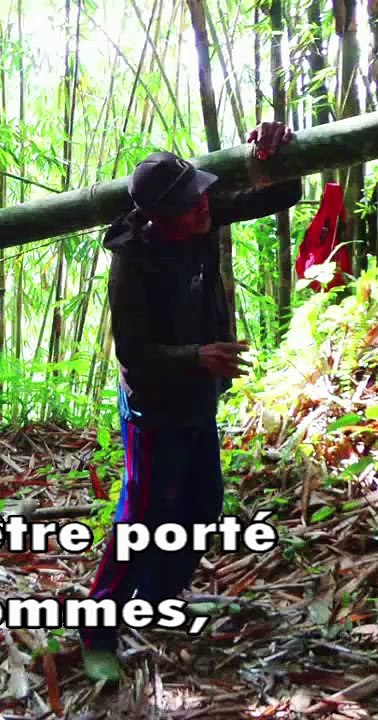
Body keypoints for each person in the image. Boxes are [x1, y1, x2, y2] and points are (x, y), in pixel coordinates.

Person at [80, 122, 302, 681]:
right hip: (154, 408)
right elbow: (132, 351)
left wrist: (270, 153)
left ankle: (157, 599)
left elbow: (284, 192)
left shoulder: (199, 218)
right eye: (189, 205)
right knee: (141, 518)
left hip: (198, 397)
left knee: (202, 507)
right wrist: (197, 356)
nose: (204, 208)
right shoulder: (134, 263)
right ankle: (96, 632)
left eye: (201, 196)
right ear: (157, 218)